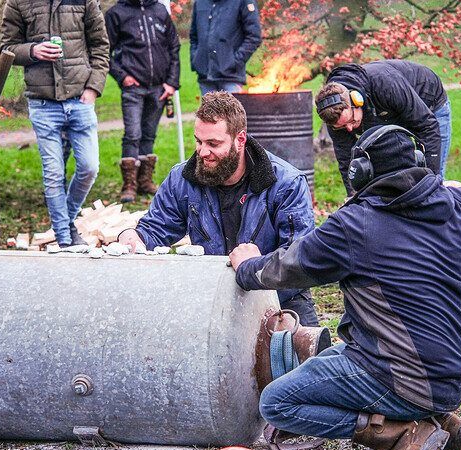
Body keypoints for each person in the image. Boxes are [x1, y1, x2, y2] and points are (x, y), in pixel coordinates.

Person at [229, 99, 461, 450]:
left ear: (362, 171)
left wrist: (246, 265)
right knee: (334, 354)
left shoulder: (352, 227)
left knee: (277, 403)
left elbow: (284, 268)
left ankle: (402, 434)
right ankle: (441, 419)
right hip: (456, 374)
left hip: (402, 376)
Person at [118, 91, 319, 326]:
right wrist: (134, 236)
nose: (203, 152)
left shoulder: (286, 183)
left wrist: (257, 267)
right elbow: (157, 229)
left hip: (279, 298)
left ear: (240, 140)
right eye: (199, 141)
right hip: (209, 297)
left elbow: (300, 259)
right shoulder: (183, 178)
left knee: (305, 357)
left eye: (213, 144)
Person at [1, 0, 110, 247]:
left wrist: (93, 88)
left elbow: (101, 46)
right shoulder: (18, 2)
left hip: (80, 99)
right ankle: (64, 239)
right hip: (43, 105)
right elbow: (7, 48)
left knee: (90, 167)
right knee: (53, 175)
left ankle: (66, 222)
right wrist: (32, 51)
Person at [316, 60, 450, 196]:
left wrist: (431, 181)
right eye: (343, 126)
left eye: (350, 121)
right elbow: (346, 159)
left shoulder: (385, 84)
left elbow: (428, 127)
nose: (349, 128)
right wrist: (353, 196)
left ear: (357, 100)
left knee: (430, 186)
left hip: (428, 101)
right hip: (390, 111)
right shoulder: (333, 114)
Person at [105, 0, 180, 203]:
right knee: (133, 134)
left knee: (149, 134)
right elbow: (104, 51)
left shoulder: (159, 10)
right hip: (133, 88)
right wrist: (122, 77)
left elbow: (174, 46)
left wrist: (171, 83)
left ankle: (145, 181)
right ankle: (129, 184)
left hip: (159, 87)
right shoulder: (116, 14)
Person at [189, 0, 261, 95]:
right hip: (205, 78)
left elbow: (254, 36)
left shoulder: (243, 2)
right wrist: (196, 59)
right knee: (209, 110)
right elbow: (194, 37)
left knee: (231, 110)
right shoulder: (200, 2)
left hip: (231, 78)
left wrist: (234, 62)